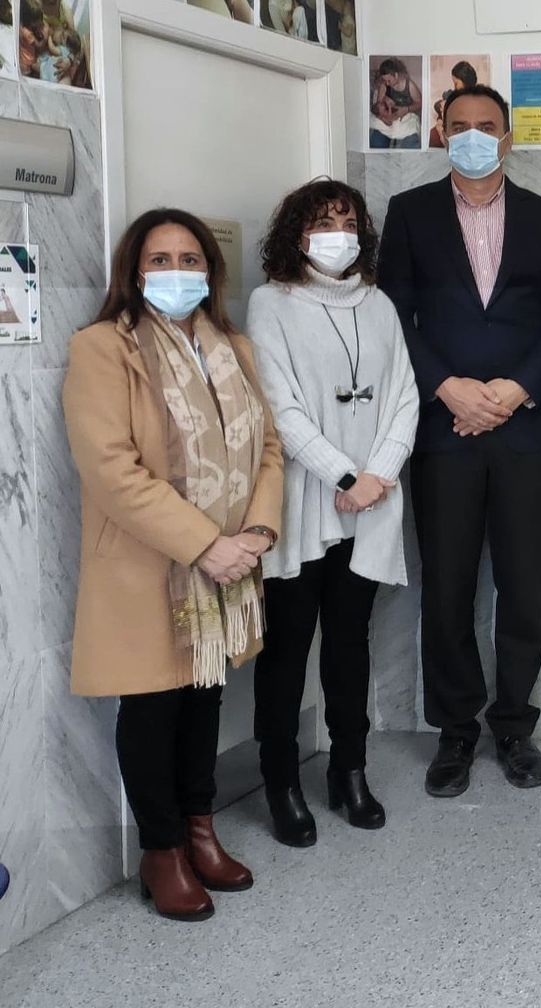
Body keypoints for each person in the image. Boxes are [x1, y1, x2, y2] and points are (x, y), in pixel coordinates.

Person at [62, 209, 284, 921]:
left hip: (229, 564)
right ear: (134, 270)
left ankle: (199, 832)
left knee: (204, 697)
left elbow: (268, 447)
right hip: (148, 566)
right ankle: (161, 852)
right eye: (160, 260)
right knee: (153, 705)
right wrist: (205, 544)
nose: (177, 272)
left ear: (210, 273)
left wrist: (256, 531)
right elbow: (111, 469)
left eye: (190, 260)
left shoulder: (234, 347)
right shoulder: (103, 348)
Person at [379, 84, 541, 799]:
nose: (472, 135)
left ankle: (514, 727)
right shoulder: (409, 214)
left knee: (524, 586)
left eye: (486, 125)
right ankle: (456, 730)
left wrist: (512, 390)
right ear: (442, 133)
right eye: (460, 125)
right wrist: (447, 387)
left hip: (526, 431)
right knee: (447, 586)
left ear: (507, 137)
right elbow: (393, 315)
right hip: (444, 431)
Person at [248, 179, 419, 847]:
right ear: (297, 233)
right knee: (287, 651)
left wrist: (376, 477)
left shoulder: (378, 303)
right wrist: (344, 475)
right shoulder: (271, 303)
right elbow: (279, 406)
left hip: (368, 504)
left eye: (348, 224)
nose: (337, 236)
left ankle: (350, 770)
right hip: (305, 503)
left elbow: (404, 394)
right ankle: (281, 783)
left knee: (350, 647)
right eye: (323, 223)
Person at [370, 58, 422, 150]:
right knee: (376, 143)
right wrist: (385, 99)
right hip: (388, 118)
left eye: (389, 80)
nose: (387, 83)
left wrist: (406, 109)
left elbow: (420, 104)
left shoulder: (410, 86)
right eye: (385, 80)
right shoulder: (384, 85)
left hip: (405, 118)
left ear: (396, 75)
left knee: (408, 146)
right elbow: (379, 107)